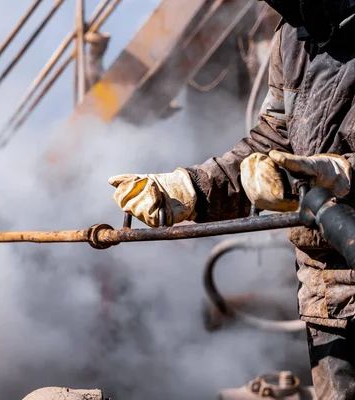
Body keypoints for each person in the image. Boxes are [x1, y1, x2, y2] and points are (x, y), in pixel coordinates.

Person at [108, 1, 355, 398]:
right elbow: (273, 142)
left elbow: (306, 169)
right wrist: (189, 190)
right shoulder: (294, 38)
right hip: (329, 297)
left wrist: (338, 175)